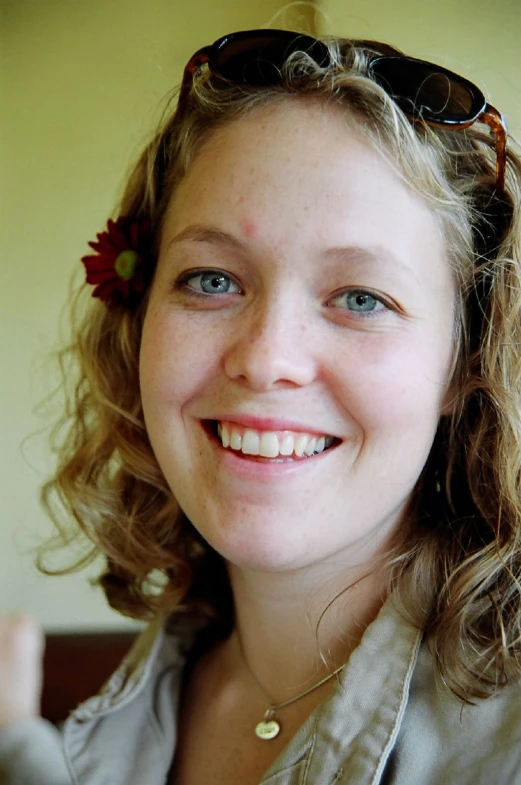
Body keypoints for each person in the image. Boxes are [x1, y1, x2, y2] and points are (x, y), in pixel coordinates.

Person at [1, 27, 521, 785]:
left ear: (463, 364)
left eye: (360, 297)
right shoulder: (150, 699)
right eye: (212, 279)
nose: (265, 356)